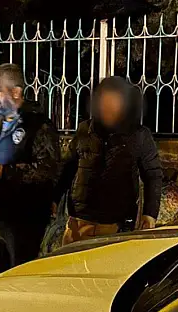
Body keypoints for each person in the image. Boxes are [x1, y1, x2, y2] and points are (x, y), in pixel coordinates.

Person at [57, 76, 163, 244]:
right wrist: (55, 198)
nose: (108, 107)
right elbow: (68, 167)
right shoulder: (85, 129)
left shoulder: (139, 135)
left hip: (115, 224)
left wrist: (149, 214)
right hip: (78, 221)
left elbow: (153, 175)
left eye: (114, 102)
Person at [0, 64, 61, 280]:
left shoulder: (38, 125)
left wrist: (6, 172)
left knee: (18, 279)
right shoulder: (1, 125)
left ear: (15, 92)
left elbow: (48, 169)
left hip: (24, 220)